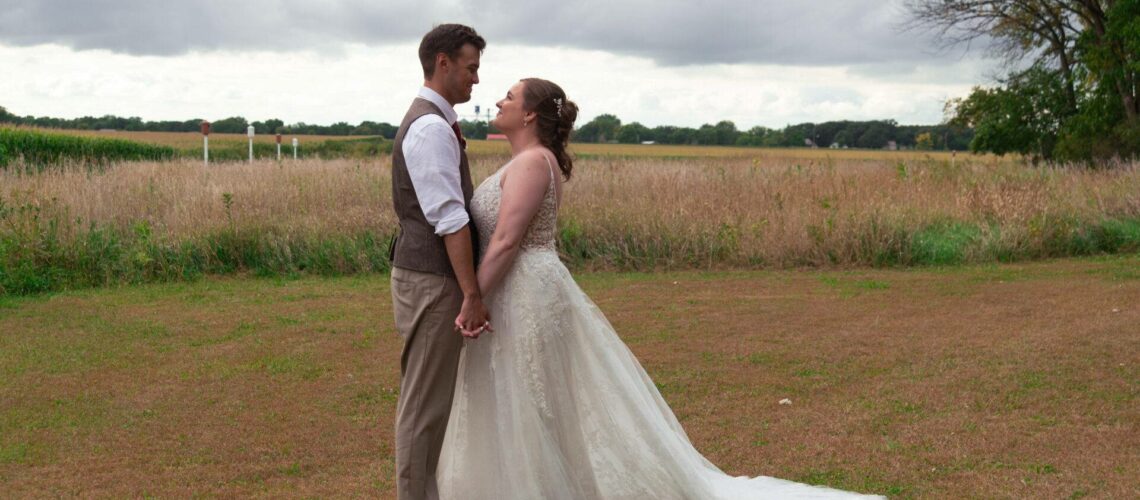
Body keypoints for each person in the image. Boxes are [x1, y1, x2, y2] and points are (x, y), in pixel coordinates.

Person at [435, 78, 884, 499]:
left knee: (536, 394)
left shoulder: (534, 162)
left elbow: (508, 239)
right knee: (525, 392)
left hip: (527, 289)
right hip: (515, 288)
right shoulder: (524, 161)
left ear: (531, 114)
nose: (499, 102)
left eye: (510, 96)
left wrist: (473, 299)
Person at [389, 23, 491, 500]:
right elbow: (449, 219)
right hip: (431, 280)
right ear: (443, 62)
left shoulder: (437, 121)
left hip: (428, 277)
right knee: (423, 407)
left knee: (432, 403)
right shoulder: (430, 127)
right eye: (471, 68)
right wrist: (471, 293)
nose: (476, 79)